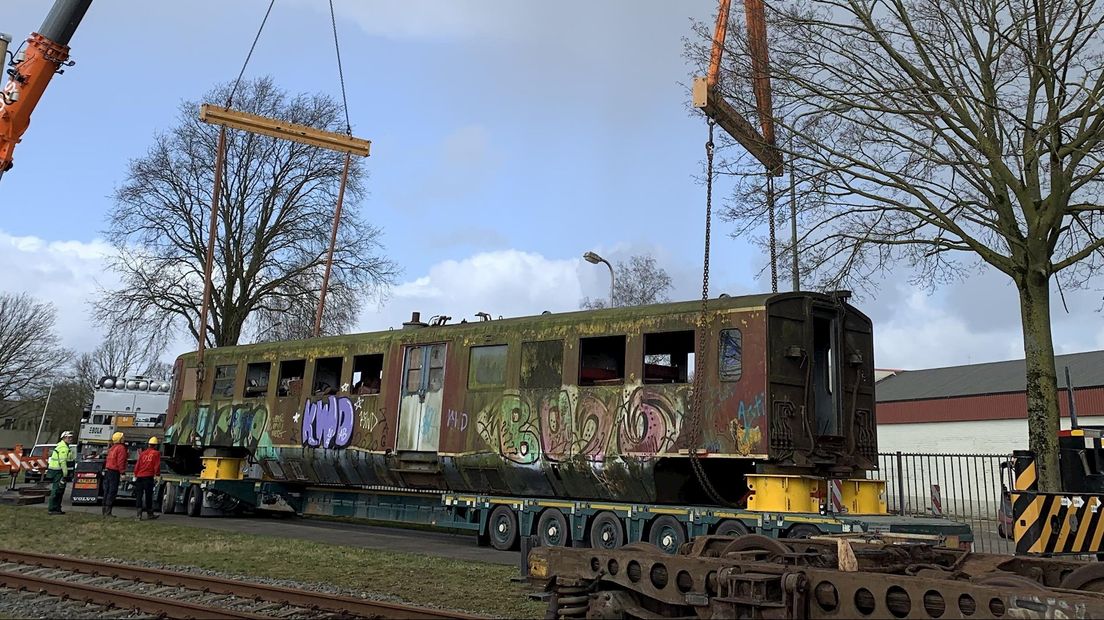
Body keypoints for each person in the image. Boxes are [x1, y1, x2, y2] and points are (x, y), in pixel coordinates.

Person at [46, 430, 74, 515]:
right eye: (69, 437)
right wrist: (65, 474)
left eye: (71, 437)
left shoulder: (64, 446)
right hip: (58, 472)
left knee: (60, 491)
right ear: (64, 438)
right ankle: (52, 508)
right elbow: (63, 462)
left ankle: (57, 508)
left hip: (59, 471)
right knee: (57, 490)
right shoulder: (63, 448)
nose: (70, 439)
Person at [133, 436, 161, 520]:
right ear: (156, 445)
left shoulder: (143, 453)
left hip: (140, 477)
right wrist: (157, 475)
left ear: (148, 444)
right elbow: (157, 465)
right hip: (148, 477)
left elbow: (137, 465)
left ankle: (139, 515)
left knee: (139, 496)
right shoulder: (156, 453)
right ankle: (150, 513)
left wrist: (135, 474)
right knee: (148, 496)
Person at [102, 432, 127, 517]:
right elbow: (120, 461)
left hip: (108, 471)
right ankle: (108, 511)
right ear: (119, 439)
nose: (124, 438)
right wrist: (122, 473)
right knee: (112, 491)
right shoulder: (121, 448)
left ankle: (104, 510)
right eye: (122, 437)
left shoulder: (112, 448)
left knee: (107, 490)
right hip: (114, 472)